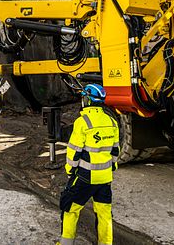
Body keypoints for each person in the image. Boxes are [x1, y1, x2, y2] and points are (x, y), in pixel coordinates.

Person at [58, 84, 120, 245]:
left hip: (85, 177)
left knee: (69, 208)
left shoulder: (82, 122)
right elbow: (115, 151)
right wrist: (110, 168)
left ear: (88, 99)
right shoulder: (112, 121)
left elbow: (73, 151)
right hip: (105, 178)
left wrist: (70, 170)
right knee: (104, 214)